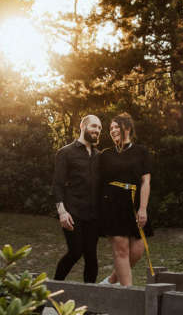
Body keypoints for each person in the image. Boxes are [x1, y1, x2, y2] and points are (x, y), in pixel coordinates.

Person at [98, 113, 152, 286]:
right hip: (113, 203)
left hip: (135, 201)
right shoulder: (105, 155)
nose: (113, 130)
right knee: (121, 251)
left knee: (137, 251)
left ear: (127, 128)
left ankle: (110, 281)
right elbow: (96, 181)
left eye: (116, 127)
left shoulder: (141, 151)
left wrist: (143, 208)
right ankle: (128, 296)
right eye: (111, 128)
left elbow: (146, 182)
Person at [52, 114, 102, 282]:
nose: (97, 130)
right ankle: (50, 291)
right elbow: (57, 184)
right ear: (83, 126)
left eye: (99, 128)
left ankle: (89, 304)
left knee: (91, 257)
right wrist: (62, 212)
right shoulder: (65, 152)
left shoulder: (99, 156)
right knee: (75, 252)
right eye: (94, 126)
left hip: (94, 215)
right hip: (72, 213)